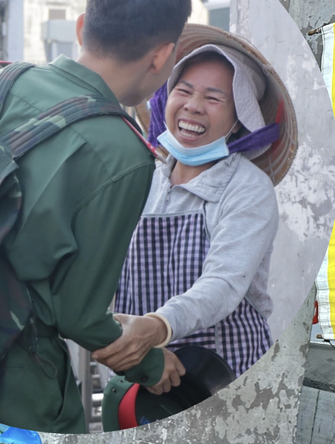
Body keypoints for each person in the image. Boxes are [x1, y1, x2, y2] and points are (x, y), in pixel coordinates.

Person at [0, 0, 193, 433]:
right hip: (4, 372)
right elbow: (79, 314)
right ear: (162, 57)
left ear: (81, 28)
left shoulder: (7, 81)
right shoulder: (124, 154)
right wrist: (153, 363)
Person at [93, 24, 295, 415]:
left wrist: (155, 329)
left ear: (239, 120)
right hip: (141, 378)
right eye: (183, 90)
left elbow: (222, 283)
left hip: (223, 378)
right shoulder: (140, 180)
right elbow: (98, 270)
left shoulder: (248, 188)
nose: (193, 105)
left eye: (214, 98)